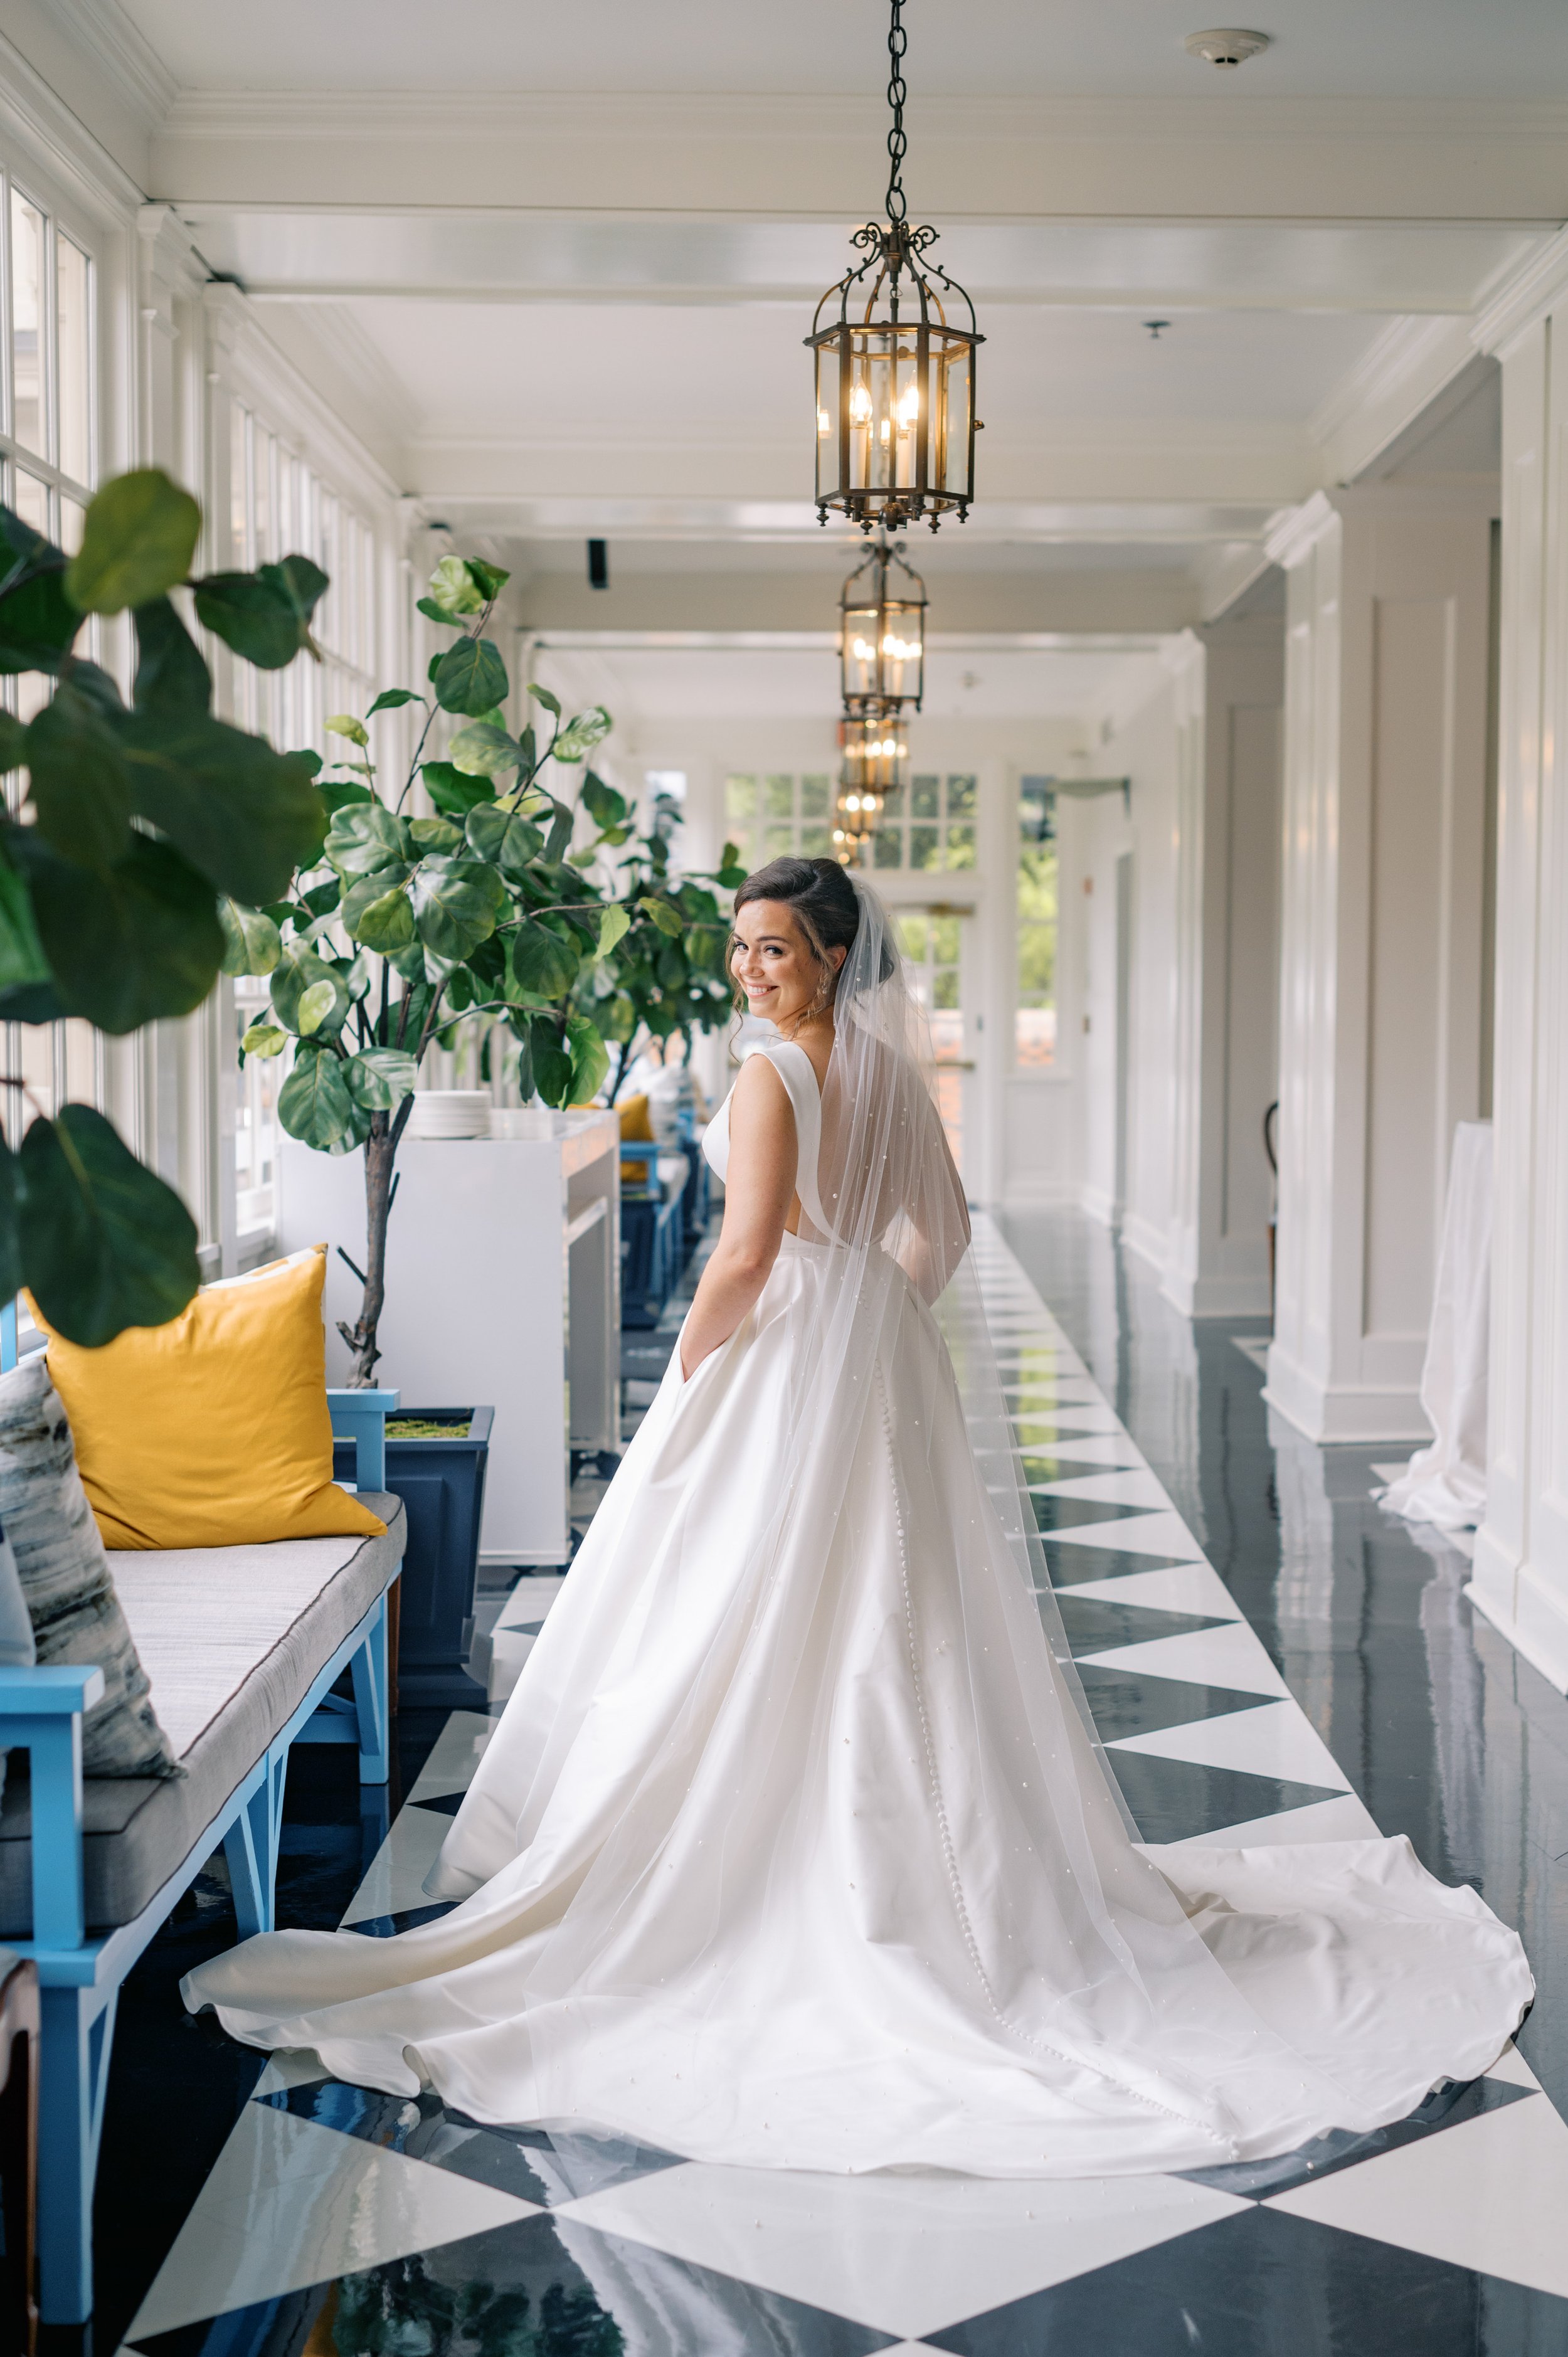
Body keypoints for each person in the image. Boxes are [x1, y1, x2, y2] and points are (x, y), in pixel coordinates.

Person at [186, 857, 1531, 2176]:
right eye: (739, 946)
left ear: (832, 954)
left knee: (761, 1599)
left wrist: (705, 1370)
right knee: (887, 1611)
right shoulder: (889, 1073)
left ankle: (790, 1869)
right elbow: (935, 1237)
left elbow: (746, 1253)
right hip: (877, 1352)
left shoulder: (773, 1076)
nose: (747, 969)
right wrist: (867, 1323)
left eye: (772, 946)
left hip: (785, 1348)